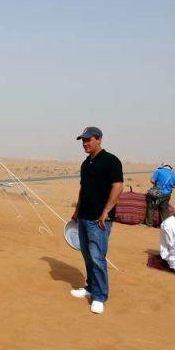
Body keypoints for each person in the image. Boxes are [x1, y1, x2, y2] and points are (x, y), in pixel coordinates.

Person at [70, 127, 123, 314]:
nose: (85, 143)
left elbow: (118, 187)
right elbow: (83, 189)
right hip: (84, 217)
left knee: (97, 257)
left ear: (99, 139)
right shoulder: (86, 164)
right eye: (83, 140)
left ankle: (99, 296)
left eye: (88, 139)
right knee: (87, 254)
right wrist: (77, 211)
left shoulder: (111, 161)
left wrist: (106, 211)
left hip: (99, 220)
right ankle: (91, 287)